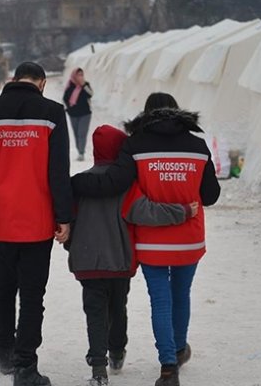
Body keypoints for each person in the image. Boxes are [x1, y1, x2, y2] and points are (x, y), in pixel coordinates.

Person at [71, 92, 221, 386]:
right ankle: (178, 349)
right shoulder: (197, 146)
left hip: (150, 240)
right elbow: (210, 195)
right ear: (178, 111)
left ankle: (168, 369)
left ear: (147, 114)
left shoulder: (135, 146)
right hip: (189, 239)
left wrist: (74, 183)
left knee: (160, 301)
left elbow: (115, 183)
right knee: (181, 295)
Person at [0, 61, 72, 386]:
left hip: (0, 218)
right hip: (38, 220)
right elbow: (58, 171)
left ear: (12, 80)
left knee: (4, 287)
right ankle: (26, 366)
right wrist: (64, 216)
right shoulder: (52, 113)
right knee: (33, 294)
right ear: (42, 84)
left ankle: (5, 348)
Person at [63, 68, 93, 161]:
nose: (80, 77)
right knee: (76, 133)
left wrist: (83, 85)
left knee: (82, 133)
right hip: (73, 114)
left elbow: (90, 94)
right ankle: (78, 149)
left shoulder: (85, 85)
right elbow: (65, 98)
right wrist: (69, 107)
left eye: (81, 74)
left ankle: (81, 152)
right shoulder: (70, 85)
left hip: (85, 113)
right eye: (78, 74)